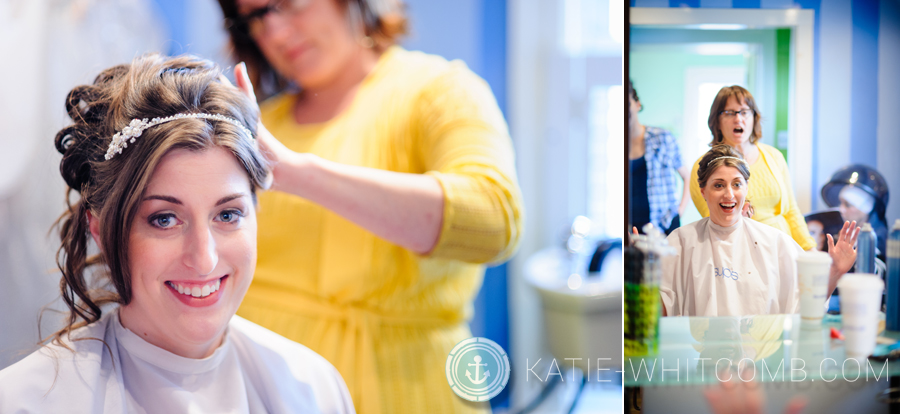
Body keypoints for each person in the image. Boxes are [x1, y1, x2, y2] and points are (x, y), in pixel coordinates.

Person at [0, 54, 354, 413]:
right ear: (102, 231)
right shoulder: (26, 402)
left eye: (228, 214)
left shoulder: (312, 389)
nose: (205, 259)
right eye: (164, 219)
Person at [216, 1, 525, 413]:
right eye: (255, 17)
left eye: (288, 4)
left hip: (405, 391)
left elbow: (494, 220)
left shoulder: (439, 91)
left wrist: (296, 173)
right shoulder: (262, 124)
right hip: (261, 392)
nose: (275, 33)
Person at [661, 145, 858, 317]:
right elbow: (659, 312)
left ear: (746, 188)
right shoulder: (680, 243)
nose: (729, 194)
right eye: (718, 185)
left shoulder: (776, 244)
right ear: (703, 191)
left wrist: (835, 272)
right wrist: (637, 270)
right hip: (699, 358)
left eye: (737, 184)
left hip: (761, 357)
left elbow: (805, 307)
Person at [689, 86, 816, 251]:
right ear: (717, 121)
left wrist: (809, 249)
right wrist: (734, 220)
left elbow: (791, 211)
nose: (738, 119)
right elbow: (713, 222)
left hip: (783, 248)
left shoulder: (774, 156)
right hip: (739, 252)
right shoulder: (704, 165)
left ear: (754, 118)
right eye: (729, 113)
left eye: (744, 112)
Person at [629, 80, 690, 235]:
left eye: (627, 104)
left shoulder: (663, 138)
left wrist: (679, 211)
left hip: (665, 225)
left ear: (637, 104)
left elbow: (687, 177)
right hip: (631, 230)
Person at [821, 164, 890, 259]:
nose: (841, 209)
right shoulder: (838, 230)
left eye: (848, 205)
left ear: (866, 208)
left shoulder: (878, 238)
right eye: (840, 203)